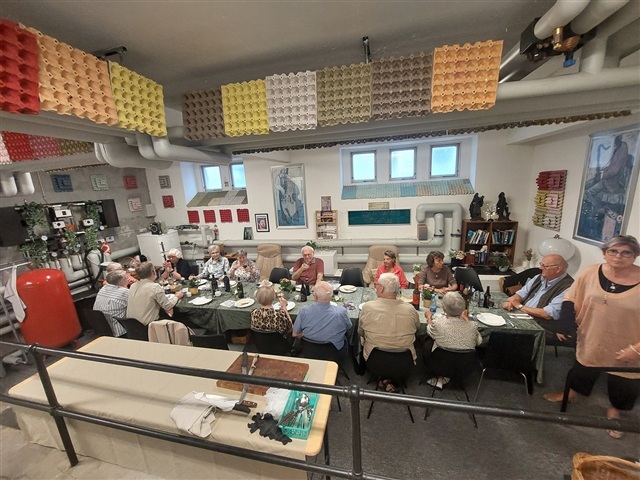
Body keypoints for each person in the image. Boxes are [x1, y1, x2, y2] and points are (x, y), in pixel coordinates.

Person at [544, 235, 640, 439]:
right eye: (613, 251)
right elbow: (571, 298)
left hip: (629, 342)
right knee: (583, 366)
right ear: (605, 253)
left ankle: (615, 411)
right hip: (592, 335)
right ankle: (572, 393)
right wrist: (566, 325)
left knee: (623, 380)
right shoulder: (590, 272)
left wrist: (636, 349)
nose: (618, 256)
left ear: (635, 256)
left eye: (626, 252)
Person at [359, 273, 420, 392]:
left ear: (381, 288)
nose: (375, 286)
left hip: (375, 360)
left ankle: (384, 379)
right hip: (404, 361)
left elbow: (361, 331)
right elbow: (417, 328)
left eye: (377, 284)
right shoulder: (410, 309)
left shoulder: (368, 308)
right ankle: (390, 380)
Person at [501, 254, 574, 341]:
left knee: (504, 334)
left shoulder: (569, 287)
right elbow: (521, 294)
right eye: (541, 264)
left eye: (545, 266)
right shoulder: (539, 277)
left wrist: (519, 306)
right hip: (524, 316)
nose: (540, 268)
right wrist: (510, 301)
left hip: (542, 326)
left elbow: (547, 314)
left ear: (558, 269)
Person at [423, 292, 483, 387]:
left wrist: (429, 317)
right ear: (463, 309)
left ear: (443, 308)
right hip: (465, 367)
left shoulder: (438, 324)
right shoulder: (472, 326)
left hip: (440, 366)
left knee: (428, 341)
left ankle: (440, 376)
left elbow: (429, 330)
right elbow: (479, 341)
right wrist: (467, 320)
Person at [292, 281, 352, 357]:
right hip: (335, 354)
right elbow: (349, 327)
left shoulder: (304, 310)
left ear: (316, 297)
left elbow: (295, 334)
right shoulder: (341, 312)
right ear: (331, 296)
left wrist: (304, 334)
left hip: (310, 353)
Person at [127, 261, 184, 325]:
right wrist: (177, 296)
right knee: (177, 314)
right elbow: (168, 306)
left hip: (132, 325)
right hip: (149, 325)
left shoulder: (133, 286)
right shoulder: (154, 287)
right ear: (153, 272)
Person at [93, 270, 129, 337]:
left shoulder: (103, 288)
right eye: (126, 278)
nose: (128, 279)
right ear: (120, 282)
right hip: (119, 330)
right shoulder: (124, 292)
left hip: (103, 329)